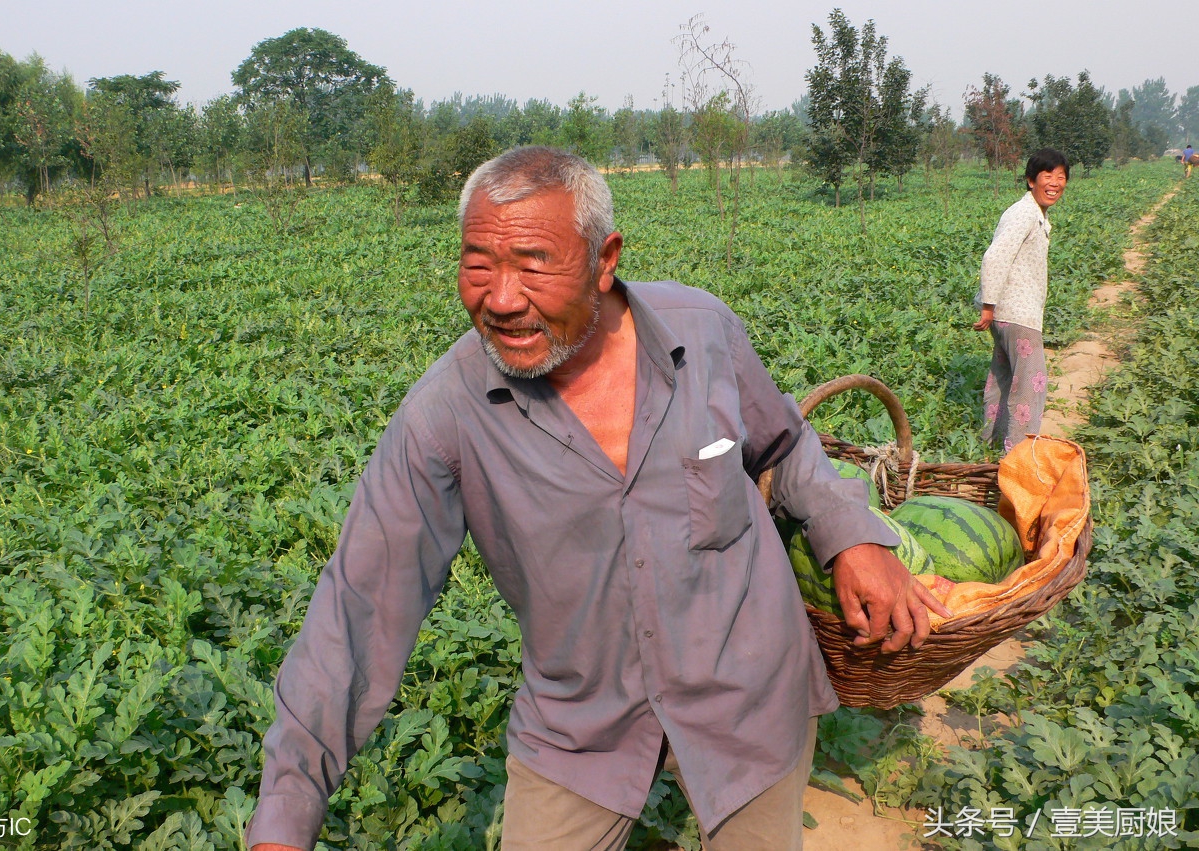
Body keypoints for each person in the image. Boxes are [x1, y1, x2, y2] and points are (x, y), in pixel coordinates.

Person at [245, 147, 950, 851]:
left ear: (604, 257)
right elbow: (361, 603)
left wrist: (851, 533)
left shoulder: (701, 332)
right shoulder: (446, 413)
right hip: (580, 722)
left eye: (533, 263)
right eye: (478, 263)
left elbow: (782, 443)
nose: (500, 297)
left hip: (749, 692)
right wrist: (285, 810)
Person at [973, 147, 1070, 454]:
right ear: (1031, 180)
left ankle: (990, 445)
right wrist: (988, 305)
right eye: (1047, 175)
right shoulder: (1024, 213)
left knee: (1003, 379)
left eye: (1061, 176)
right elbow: (995, 256)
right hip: (1018, 316)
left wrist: (991, 307)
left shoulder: (1033, 214)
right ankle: (1016, 460)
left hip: (1009, 314)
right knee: (1030, 387)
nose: (1054, 182)